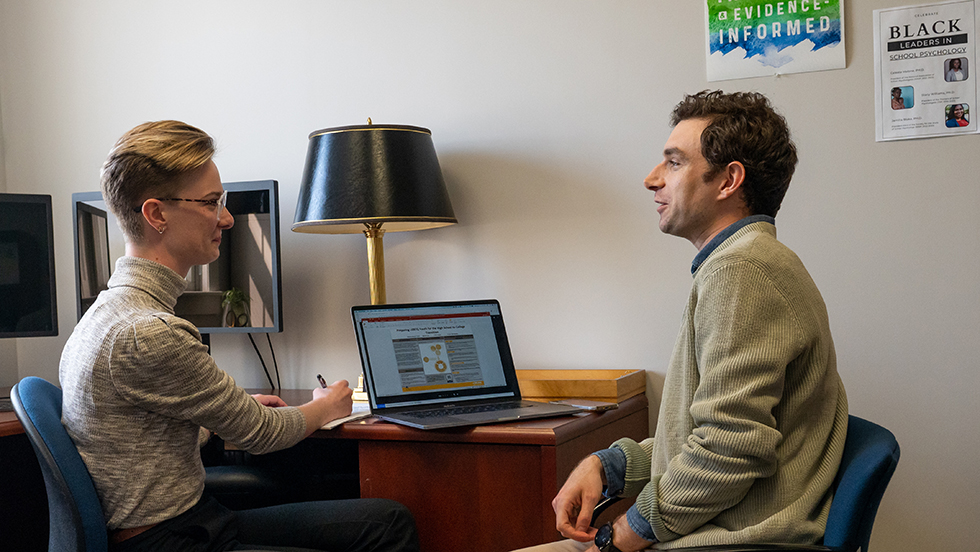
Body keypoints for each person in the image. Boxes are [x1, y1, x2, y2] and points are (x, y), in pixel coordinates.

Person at [60, 120, 420, 552]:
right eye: (212, 202)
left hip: (193, 520)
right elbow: (262, 434)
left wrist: (229, 411)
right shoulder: (147, 333)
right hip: (171, 540)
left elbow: (140, 435)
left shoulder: (106, 314)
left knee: (385, 521)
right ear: (156, 214)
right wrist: (325, 407)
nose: (226, 218)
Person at [516, 91, 848, 552]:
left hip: (733, 540)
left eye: (673, 163)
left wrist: (622, 536)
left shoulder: (742, 271)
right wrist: (609, 465)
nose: (652, 179)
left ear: (729, 180)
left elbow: (728, 450)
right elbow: (698, 438)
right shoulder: (744, 262)